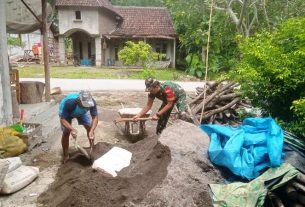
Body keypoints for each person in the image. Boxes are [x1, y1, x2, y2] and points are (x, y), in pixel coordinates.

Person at [59, 90, 98, 163]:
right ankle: (66, 155)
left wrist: (92, 130)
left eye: (88, 105)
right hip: (67, 112)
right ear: (79, 102)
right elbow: (63, 120)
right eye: (85, 105)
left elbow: (95, 117)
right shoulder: (70, 103)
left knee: (89, 127)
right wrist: (72, 129)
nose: (88, 107)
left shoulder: (91, 102)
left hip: (80, 112)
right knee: (66, 132)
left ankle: (92, 150)